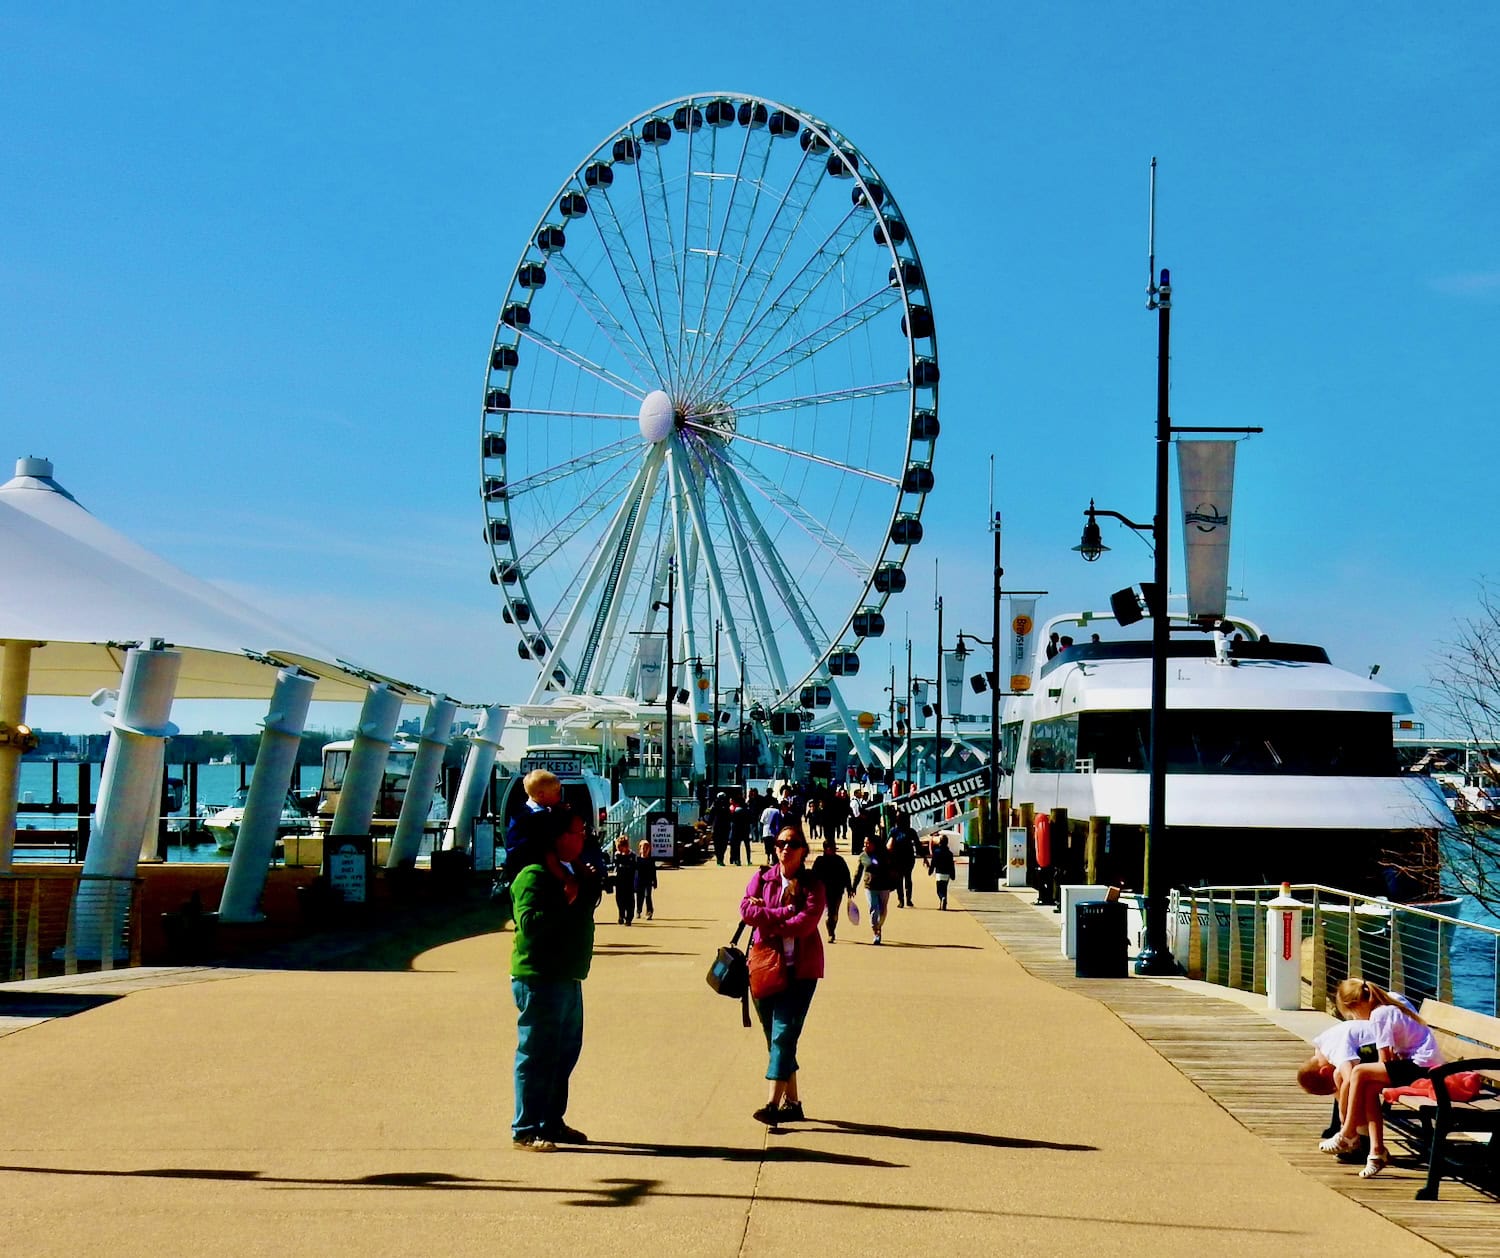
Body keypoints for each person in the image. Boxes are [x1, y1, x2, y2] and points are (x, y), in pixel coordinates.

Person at [509, 807, 597, 1151]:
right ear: (558, 838)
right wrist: (565, 898)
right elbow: (529, 924)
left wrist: (585, 886)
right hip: (540, 977)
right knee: (537, 1053)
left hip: (567, 974)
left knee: (564, 1052)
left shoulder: (567, 871)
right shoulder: (533, 875)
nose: (583, 837)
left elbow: (580, 908)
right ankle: (526, 1127)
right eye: (577, 832)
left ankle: (551, 1121)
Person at [740, 826, 826, 1127]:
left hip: (800, 971)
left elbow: (805, 924)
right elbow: (746, 911)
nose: (784, 848)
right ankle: (794, 1103)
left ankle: (772, 1106)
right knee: (775, 1037)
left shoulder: (813, 884)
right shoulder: (762, 877)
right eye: (780, 843)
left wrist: (769, 918)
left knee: (784, 1033)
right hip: (765, 966)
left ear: (803, 850)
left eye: (791, 844)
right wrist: (783, 913)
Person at [1319, 979, 1442, 1178]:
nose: (1355, 1018)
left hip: (1423, 1067)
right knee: (1366, 1086)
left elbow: (1384, 1059)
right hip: (1419, 1064)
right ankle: (1377, 1152)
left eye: (1352, 1013)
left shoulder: (1380, 1014)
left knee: (1360, 1073)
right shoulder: (1390, 1000)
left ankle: (1348, 1132)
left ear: (1357, 1005)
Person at [810, 837, 854, 943]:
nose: (834, 850)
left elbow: (846, 874)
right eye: (831, 848)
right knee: (829, 913)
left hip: (838, 891)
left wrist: (849, 888)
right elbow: (813, 876)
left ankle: (832, 928)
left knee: (834, 913)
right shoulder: (819, 861)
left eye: (834, 848)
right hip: (824, 891)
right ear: (826, 849)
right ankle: (831, 933)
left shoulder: (840, 860)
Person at [855, 835, 893, 944]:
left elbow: (884, 866)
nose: (865, 845)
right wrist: (853, 886)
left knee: (883, 910)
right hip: (870, 886)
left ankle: (879, 925)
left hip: (884, 885)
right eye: (864, 843)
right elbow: (858, 872)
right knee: (873, 908)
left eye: (868, 843)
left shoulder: (884, 854)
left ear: (874, 844)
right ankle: (876, 931)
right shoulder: (863, 856)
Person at [888, 813, 917, 907]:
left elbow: (918, 844)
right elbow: (888, 844)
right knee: (902, 879)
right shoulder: (896, 831)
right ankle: (903, 900)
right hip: (900, 858)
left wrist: (925, 858)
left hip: (904, 858)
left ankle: (906, 900)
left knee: (905, 879)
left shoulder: (897, 831)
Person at [611, 835, 636, 925]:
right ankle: (621, 915)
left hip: (629, 882)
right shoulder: (617, 855)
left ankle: (629, 918)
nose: (619, 849)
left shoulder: (632, 856)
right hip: (619, 882)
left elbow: (634, 868)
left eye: (620, 847)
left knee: (629, 900)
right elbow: (615, 866)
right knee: (619, 899)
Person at [928, 833, 956, 909]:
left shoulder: (936, 852)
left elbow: (933, 863)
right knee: (944, 888)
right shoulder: (950, 854)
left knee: (939, 890)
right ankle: (943, 904)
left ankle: (942, 898)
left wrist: (930, 871)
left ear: (940, 842)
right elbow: (951, 865)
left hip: (939, 873)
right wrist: (953, 875)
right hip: (947, 874)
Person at [731, 791, 757, 866]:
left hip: (737, 830)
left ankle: (738, 860)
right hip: (746, 830)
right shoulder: (747, 810)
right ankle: (748, 860)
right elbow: (751, 821)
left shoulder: (736, 811)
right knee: (747, 846)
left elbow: (733, 821)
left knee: (737, 846)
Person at [634, 837, 657, 921]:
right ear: (639, 849)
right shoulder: (637, 860)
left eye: (646, 848)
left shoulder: (650, 861)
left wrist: (655, 882)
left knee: (648, 896)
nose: (644, 850)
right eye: (642, 848)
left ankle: (649, 911)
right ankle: (638, 910)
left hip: (648, 881)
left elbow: (653, 872)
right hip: (639, 881)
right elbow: (634, 871)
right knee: (639, 897)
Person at [759, 796, 784, 864]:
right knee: (773, 846)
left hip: (766, 831)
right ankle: (773, 859)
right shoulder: (777, 811)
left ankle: (768, 858)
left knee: (767, 846)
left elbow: (762, 821)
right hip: (774, 832)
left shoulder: (765, 810)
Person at [710, 792, 732, 866]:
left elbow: (710, 817)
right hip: (722, 827)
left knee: (719, 844)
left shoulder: (718, 805)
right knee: (721, 844)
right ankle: (720, 859)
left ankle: (719, 859)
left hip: (719, 827)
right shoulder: (721, 805)